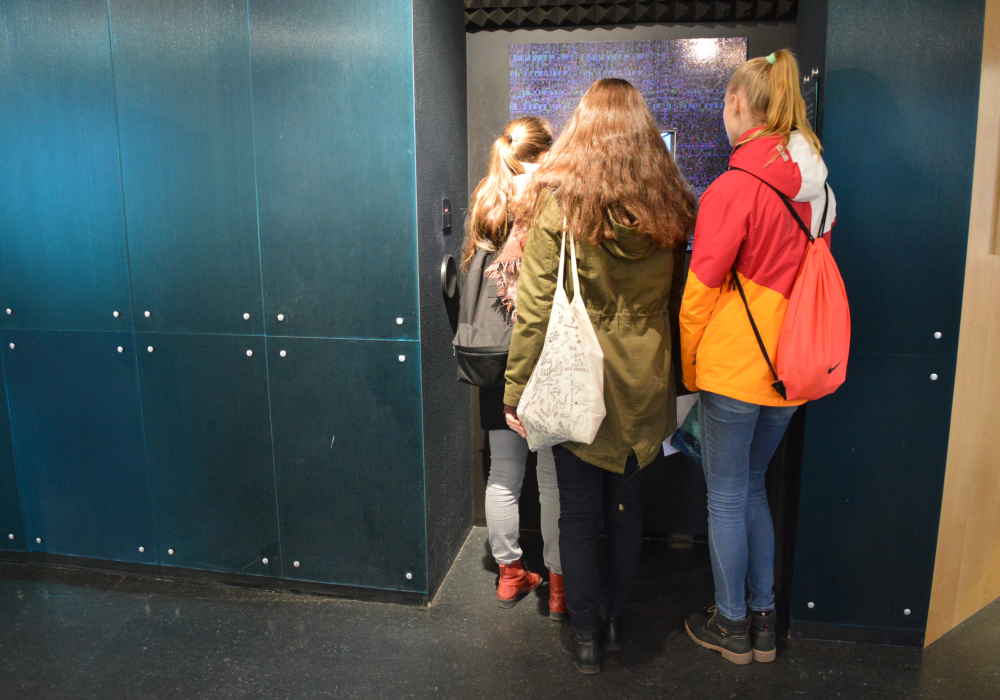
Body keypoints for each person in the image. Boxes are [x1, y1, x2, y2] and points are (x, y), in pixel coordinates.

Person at [504, 79, 697, 674]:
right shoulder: (669, 207)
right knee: (626, 509)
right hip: (644, 380)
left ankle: (586, 635)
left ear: (581, 131)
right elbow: (678, 300)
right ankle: (613, 619)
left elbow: (535, 308)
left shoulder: (561, 204)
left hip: (577, 381)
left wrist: (515, 388)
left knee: (579, 514)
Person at [680, 50, 835, 665]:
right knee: (751, 490)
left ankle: (731, 625)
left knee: (724, 496)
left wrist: (690, 367)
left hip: (735, 369)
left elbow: (699, 293)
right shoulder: (819, 188)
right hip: (795, 369)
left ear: (738, 103)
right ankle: (764, 621)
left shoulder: (733, 187)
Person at [463, 117, 565, 618]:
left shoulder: (488, 199)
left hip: (494, 361)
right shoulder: (552, 199)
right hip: (542, 354)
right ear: (545, 153)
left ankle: (509, 575)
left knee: (503, 473)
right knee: (551, 479)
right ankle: (560, 586)